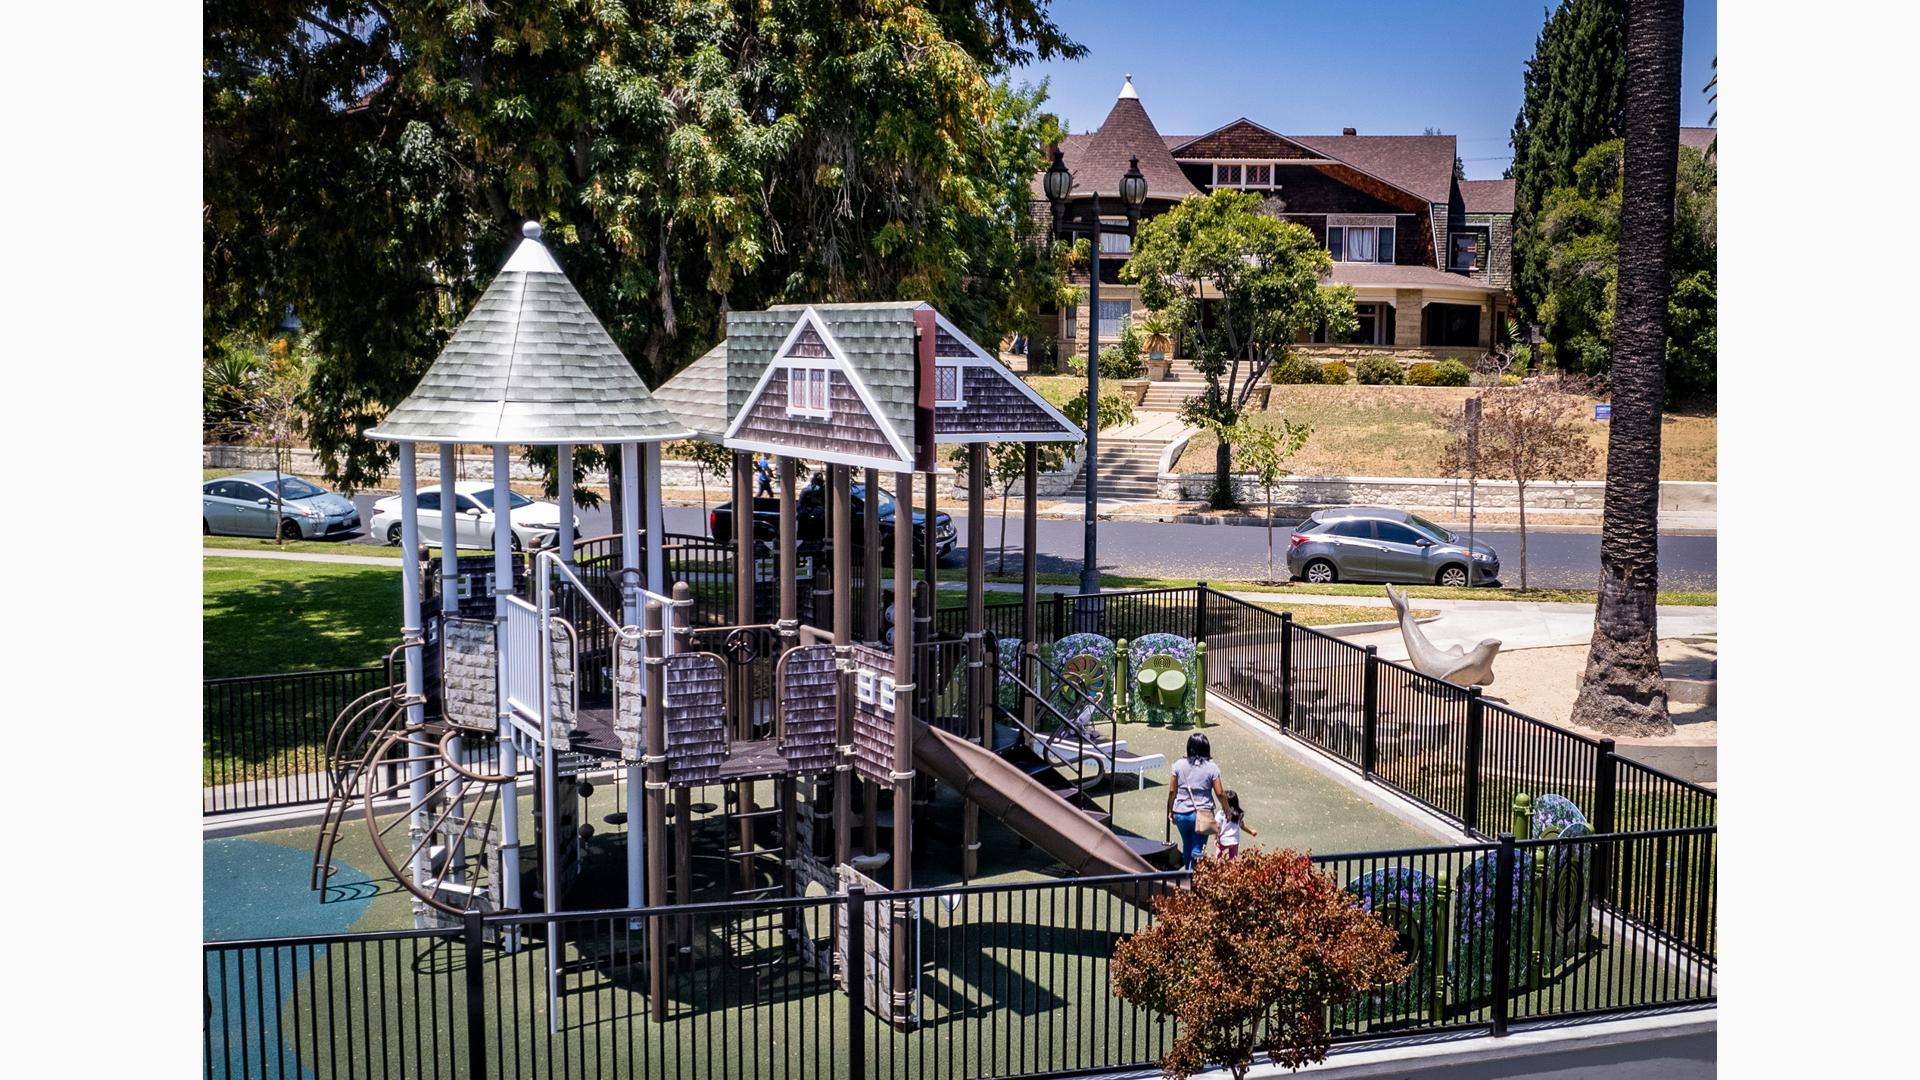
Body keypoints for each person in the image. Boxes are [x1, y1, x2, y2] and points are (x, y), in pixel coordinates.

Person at [1167, 733, 1227, 871]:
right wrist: (1227, 810)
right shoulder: (1212, 768)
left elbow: (1172, 792)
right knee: (1197, 848)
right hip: (1202, 814)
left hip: (1181, 812)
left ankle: (1186, 876)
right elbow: (1220, 793)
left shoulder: (1178, 765)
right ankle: (1192, 881)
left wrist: (1170, 810)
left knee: (1187, 844)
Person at [1215, 790, 1257, 859]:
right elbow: (1242, 826)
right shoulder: (1239, 814)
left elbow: (1217, 827)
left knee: (1218, 855)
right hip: (1234, 841)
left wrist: (1215, 838)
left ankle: (1217, 865)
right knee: (1233, 859)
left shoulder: (1221, 813)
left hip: (1223, 840)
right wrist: (1251, 831)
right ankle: (1234, 867)